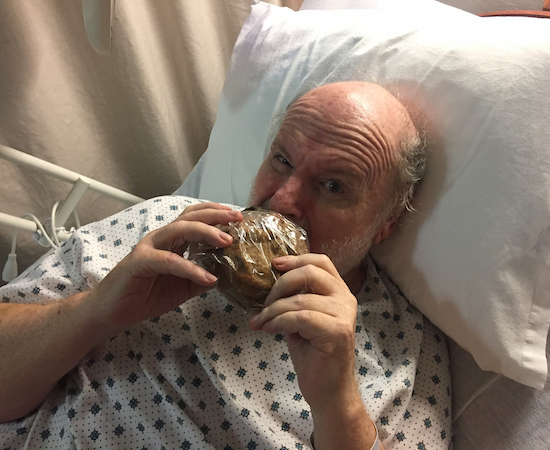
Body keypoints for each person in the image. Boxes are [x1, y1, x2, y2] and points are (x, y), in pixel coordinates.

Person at [0, 82, 450, 449]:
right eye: (282, 160)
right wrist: (95, 310)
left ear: (385, 224)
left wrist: (338, 406)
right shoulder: (163, 227)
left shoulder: (403, 351)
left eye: (332, 185)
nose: (281, 200)